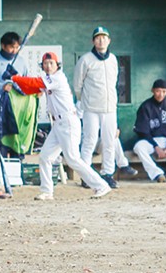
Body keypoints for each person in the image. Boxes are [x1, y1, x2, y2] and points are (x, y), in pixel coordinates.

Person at [28, 49, 111, 199]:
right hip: (58, 124)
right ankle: (47, 191)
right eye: (45, 63)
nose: (48, 66)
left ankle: (101, 185)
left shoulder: (57, 78)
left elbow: (35, 83)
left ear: (57, 65)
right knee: (45, 157)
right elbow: (31, 88)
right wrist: (11, 80)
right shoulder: (48, 79)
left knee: (73, 158)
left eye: (51, 63)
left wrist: (14, 78)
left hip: (68, 122)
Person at [72, 27, 128, 179]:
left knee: (109, 141)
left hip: (109, 108)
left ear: (109, 41)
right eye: (98, 37)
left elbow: (114, 82)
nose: (101, 40)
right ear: (93, 41)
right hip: (91, 108)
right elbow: (77, 85)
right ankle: (86, 176)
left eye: (104, 37)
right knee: (89, 141)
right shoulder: (85, 59)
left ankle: (108, 174)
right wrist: (85, 100)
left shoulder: (113, 59)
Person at [0, 28, 38, 196]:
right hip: (1, 106)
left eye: (17, 47)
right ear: (3, 46)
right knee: (3, 136)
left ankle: (16, 172)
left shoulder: (21, 62)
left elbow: (25, 81)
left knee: (17, 135)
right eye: (11, 47)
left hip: (18, 106)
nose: (14, 50)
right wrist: (1, 86)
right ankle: (3, 174)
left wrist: (25, 88)